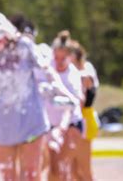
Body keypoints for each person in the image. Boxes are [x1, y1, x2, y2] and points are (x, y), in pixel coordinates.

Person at [0, 13, 78, 181]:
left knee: (30, 175)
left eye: (0, 40)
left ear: (8, 34)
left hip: (31, 121)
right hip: (1, 126)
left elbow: (47, 70)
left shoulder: (23, 46)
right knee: (9, 176)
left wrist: (61, 89)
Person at [49, 31, 88, 181]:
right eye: (56, 57)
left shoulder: (73, 75)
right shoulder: (48, 69)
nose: (58, 62)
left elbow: (78, 101)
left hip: (71, 124)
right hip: (52, 125)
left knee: (63, 167)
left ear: (70, 57)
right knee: (53, 169)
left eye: (63, 58)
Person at [70, 39, 99, 180]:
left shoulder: (86, 68)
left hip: (84, 120)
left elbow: (87, 82)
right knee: (73, 170)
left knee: (84, 169)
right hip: (74, 120)